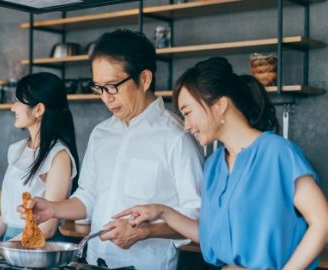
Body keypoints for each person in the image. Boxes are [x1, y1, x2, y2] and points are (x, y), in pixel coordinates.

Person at [114, 57, 328, 269]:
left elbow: (322, 223)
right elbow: (208, 235)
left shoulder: (278, 152)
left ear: (220, 106)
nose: (186, 125)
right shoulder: (214, 164)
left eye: (188, 113)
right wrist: (162, 211)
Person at [18, 29, 204, 269]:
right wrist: (52, 209)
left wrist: (144, 231)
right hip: (94, 262)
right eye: (98, 88)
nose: (105, 98)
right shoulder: (101, 133)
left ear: (145, 79)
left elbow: (196, 217)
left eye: (112, 86)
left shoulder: (178, 137)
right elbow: (88, 197)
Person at [0, 72, 80, 249]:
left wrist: (2, 248)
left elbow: (48, 227)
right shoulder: (18, 149)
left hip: (38, 247)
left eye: (18, 102)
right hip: (11, 243)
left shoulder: (59, 156)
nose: (12, 108)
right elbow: (8, 215)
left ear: (39, 109)